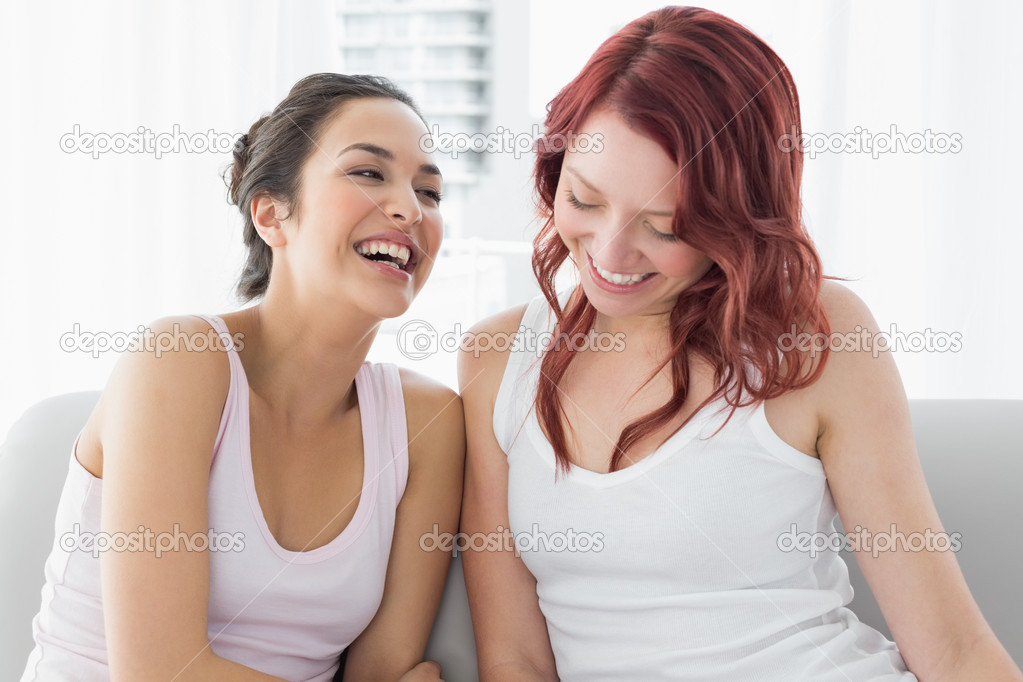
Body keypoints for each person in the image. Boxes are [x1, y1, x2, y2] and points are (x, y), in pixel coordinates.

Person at [458, 7, 1022, 681]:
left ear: (737, 218)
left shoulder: (816, 336)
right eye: (583, 198)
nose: (609, 253)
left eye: (664, 228)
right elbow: (514, 661)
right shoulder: (497, 360)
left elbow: (955, 652)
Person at [22, 73, 464, 681]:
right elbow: (161, 674)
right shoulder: (178, 361)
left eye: (430, 191)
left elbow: (383, 670)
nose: (410, 209)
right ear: (271, 214)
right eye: (368, 172)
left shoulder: (429, 422)